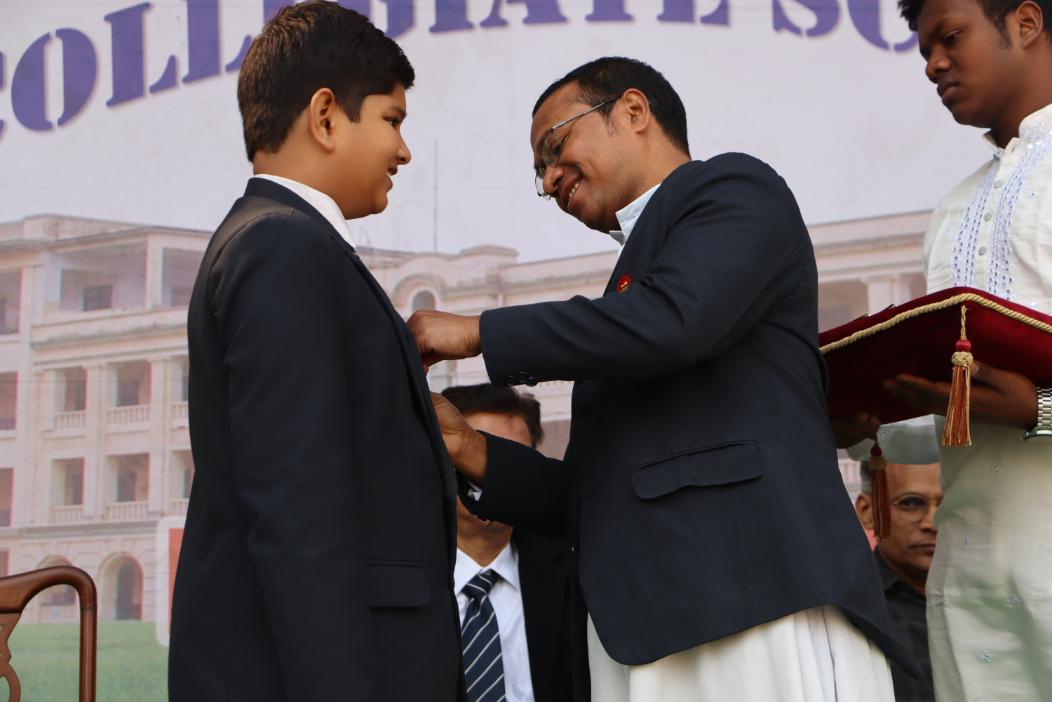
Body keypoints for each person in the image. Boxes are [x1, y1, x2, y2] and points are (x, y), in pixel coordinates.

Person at [412, 57, 913, 701]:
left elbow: (674, 320)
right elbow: (598, 498)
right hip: (645, 634)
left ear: (632, 111)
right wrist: (467, 449)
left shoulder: (735, 190)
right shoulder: (627, 297)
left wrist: (478, 332)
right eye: (539, 172)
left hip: (756, 605)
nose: (550, 178)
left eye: (555, 147)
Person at [168, 4, 464, 700]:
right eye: (392, 119)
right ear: (326, 117)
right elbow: (299, 515)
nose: (403, 151)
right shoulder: (282, 246)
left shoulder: (283, 241)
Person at [885, 0, 1052, 697]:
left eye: (950, 38)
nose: (933, 65)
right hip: (971, 574)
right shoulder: (953, 208)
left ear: (1025, 22)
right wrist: (865, 414)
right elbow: (957, 410)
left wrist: (1040, 410)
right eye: (925, 50)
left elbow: (1025, 403)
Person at [442, 383, 575, 702]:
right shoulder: (401, 582)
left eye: (514, 465)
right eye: (476, 459)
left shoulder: (574, 575)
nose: (495, 479)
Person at [856, 458, 942, 702]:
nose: (932, 523)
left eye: (948, 504)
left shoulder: (999, 602)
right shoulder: (850, 612)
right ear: (868, 511)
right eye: (911, 503)